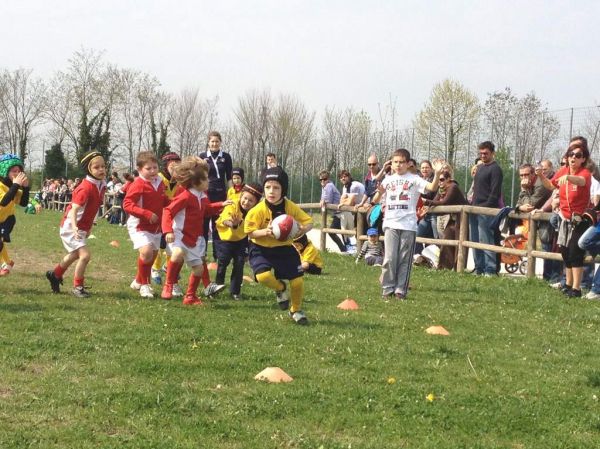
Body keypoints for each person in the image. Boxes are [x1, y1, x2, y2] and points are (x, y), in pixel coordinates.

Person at [244, 167, 313, 324]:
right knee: (263, 277)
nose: (271, 191)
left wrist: (302, 229)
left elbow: (309, 221)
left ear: (283, 190)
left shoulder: (290, 207)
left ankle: (296, 310)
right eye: (268, 187)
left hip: (285, 249)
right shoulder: (257, 210)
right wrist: (264, 232)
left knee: (297, 282)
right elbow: (249, 232)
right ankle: (280, 288)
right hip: (260, 248)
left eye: (276, 187)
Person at [372, 148, 442, 300]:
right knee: (390, 258)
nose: (398, 165)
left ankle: (400, 290)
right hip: (390, 223)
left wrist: (436, 174)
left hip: (408, 225)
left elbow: (432, 187)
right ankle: (387, 288)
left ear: (408, 163)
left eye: (402, 162)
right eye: (395, 162)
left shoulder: (414, 179)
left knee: (405, 258)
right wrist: (378, 193)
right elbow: (376, 199)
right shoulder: (388, 179)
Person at [161, 156, 231, 304]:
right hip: (179, 234)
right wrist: (168, 231)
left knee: (199, 269)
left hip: (195, 238)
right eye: (205, 178)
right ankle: (168, 284)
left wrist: (221, 204)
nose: (209, 181)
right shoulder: (185, 196)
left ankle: (190, 296)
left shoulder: (203, 196)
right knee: (178, 253)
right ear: (195, 181)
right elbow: (168, 211)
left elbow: (206, 210)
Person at [45, 151, 107, 298]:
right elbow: (74, 210)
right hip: (70, 226)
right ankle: (77, 287)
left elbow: (91, 207)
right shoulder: (85, 187)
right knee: (85, 255)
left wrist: (91, 222)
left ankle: (55, 274)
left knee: (74, 255)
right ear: (89, 170)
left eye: (103, 166)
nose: (101, 170)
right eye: (97, 167)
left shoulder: (101, 185)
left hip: (82, 227)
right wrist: (74, 226)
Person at [536, 143, 592, 297]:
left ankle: (576, 288)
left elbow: (581, 182)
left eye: (578, 155)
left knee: (575, 251)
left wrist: (568, 177)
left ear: (583, 159)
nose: (573, 157)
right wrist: (541, 175)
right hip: (564, 218)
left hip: (580, 219)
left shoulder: (585, 173)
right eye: (571, 154)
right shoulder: (562, 171)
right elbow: (550, 185)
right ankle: (568, 284)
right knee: (565, 252)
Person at [123, 151, 169, 299]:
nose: (153, 171)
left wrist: (176, 204)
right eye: (148, 168)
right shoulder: (138, 184)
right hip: (139, 225)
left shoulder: (160, 183)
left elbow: (164, 200)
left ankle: (138, 280)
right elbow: (127, 204)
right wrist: (146, 214)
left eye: (155, 167)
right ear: (139, 169)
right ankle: (145, 285)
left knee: (152, 255)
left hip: (156, 227)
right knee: (147, 252)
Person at [215, 182, 263, 299]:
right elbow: (226, 220)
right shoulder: (232, 203)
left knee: (239, 263)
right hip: (225, 238)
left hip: (241, 240)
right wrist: (233, 224)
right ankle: (217, 286)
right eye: (245, 198)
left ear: (256, 203)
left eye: (251, 201)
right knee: (223, 262)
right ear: (241, 196)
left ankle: (235, 292)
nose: (246, 202)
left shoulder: (255, 211)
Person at [422, 168, 468, 270]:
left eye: (442, 179)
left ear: (449, 179)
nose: (439, 182)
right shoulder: (441, 189)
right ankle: (443, 267)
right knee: (447, 240)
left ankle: (459, 269)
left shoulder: (453, 187)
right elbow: (434, 201)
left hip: (462, 219)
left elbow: (444, 202)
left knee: (459, 243)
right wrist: (427, 206)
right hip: (452, 219)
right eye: (438, 179)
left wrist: (425, 202)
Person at [470, 141, 503, 276]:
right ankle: (479, 268)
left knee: (486, 240)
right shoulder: (480, 168)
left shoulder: (495, 169)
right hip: (475, 209)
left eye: (486, 153)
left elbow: (494, 193)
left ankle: (490, 269)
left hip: (487, 210)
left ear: (492, 153)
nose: (483, 156)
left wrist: (485, 208)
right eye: (481, 153)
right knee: (475, 240)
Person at [199, 131, 233, 260]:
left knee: (218, 225)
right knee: (203, 225)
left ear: (220, 142)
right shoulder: (202, 156)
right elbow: (199, 176)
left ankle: (218, 255)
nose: (214, 144)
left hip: (221, 195)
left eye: (217, 141)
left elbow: (229, 177)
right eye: (212, 141)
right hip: (206, 194)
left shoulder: (226, 157)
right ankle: (202, 254)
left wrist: (231, 194)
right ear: (208, 142)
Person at [151, 152, 182, 285]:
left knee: (172, 244)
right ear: (166, 166)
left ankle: (168, 268)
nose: (175, 169)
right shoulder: (159, 178)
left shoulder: (179, 181)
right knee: (160, 244)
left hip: (172, 216)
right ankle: (155, 268)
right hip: (158, 215)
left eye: (178, 166)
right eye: (172, 166)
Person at [0, 154, 31, 276]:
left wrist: (26, 188)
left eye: (19, 171)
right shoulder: (2, 186)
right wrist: (16, 184)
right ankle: (8, 262)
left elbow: (23, 203)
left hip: (7, 219)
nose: (17, 173)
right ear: (5, 171)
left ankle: (6, 264)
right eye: (14, 171)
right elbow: (4, 201)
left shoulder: (13, 187)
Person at [318, 170, 347, 253]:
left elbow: (328, 200)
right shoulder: (325, 187)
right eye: (321, 180)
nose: (323, 181)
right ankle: (345, 250)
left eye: (325, 179)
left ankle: (345, 250)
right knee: (338, 232)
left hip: (341, 213)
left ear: (328, 179)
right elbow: (323, 199)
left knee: (339, 232)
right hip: (337, 213)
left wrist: (323, 201)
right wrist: (322, 201)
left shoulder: (329, 186)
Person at [338, 170, 365, 252]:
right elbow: (341, 201)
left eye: (345, 176)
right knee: (357, 230)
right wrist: (344, 202)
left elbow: (349, 202)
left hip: (365, 207)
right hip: (357, 208)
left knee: (362, 231)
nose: (343, 178)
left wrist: (344, 203)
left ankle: (362, 250)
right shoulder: (345, 187)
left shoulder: (354, 185)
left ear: (349, 177)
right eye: (341, 177)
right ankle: (358, 250)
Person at [415, 159, 438, 255]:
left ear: (431, 169)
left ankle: (438, 260)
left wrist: (425, 201)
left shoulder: (436, 180)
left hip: (434, 213)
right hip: (423, 214)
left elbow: (436, 197)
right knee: (418, 235)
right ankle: (418, 257)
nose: (425, 169)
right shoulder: (418, 180)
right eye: (423, 168)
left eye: (427, 167)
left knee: (436, 238)